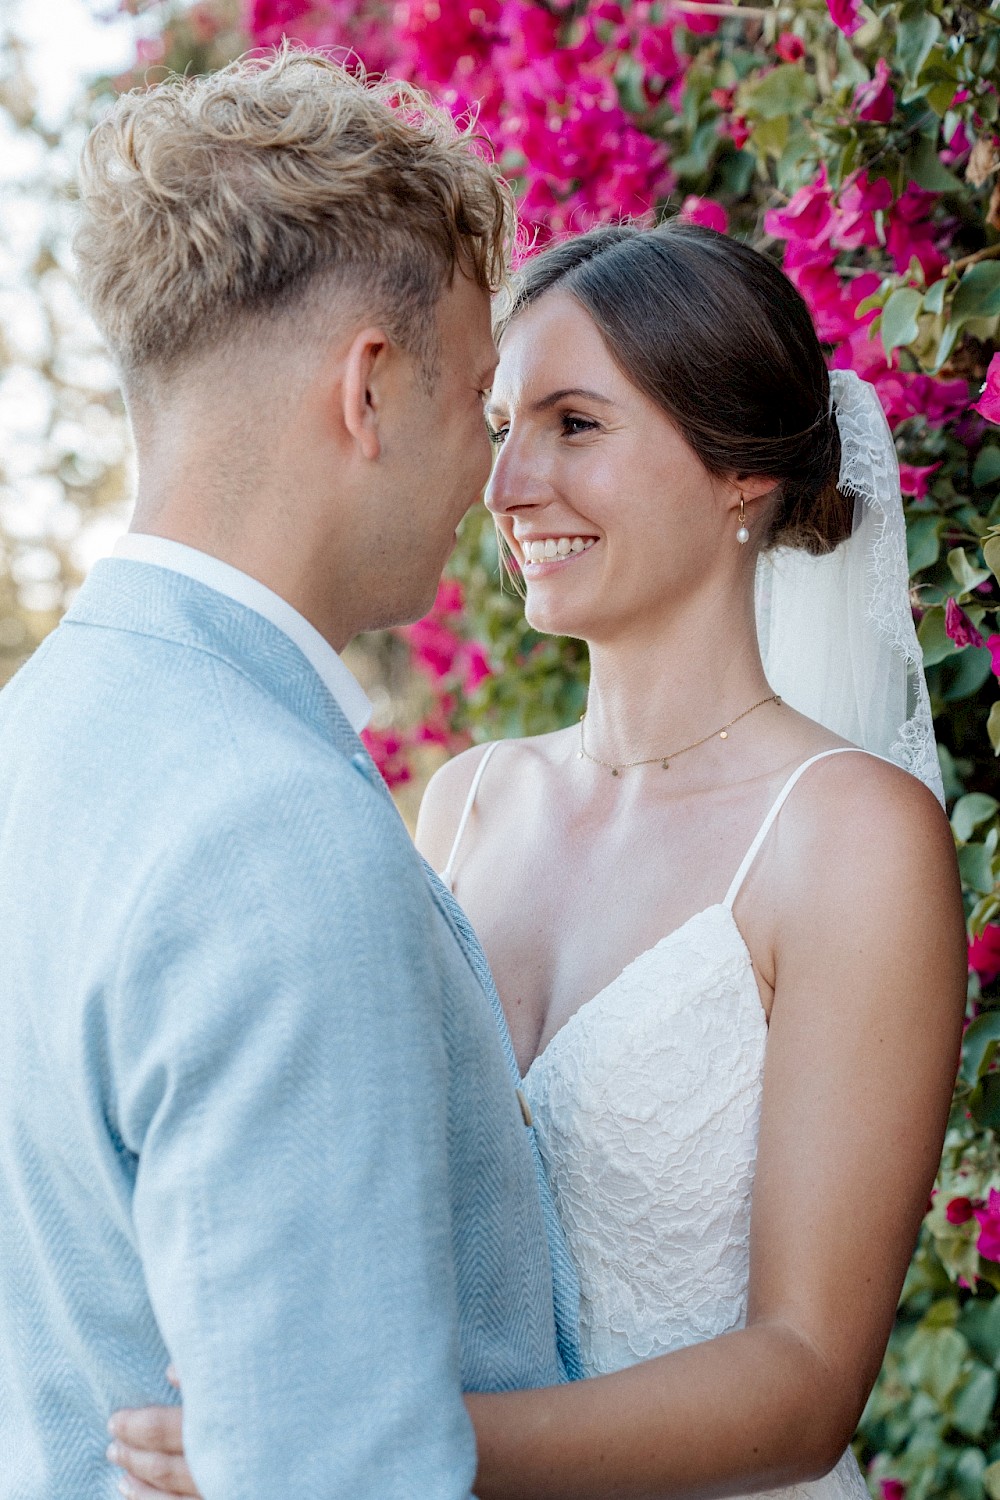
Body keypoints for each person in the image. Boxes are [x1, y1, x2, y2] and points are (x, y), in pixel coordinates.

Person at [112, 224, 966, 1500]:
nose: (506, 485)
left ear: (738, 467)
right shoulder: (467, 800)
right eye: (502, 423)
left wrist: (369, 1444)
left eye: (575, 424)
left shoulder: (850, 839)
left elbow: (802, 1380)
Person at [0, 46, 583, 1500]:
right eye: (480, 407)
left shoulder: (33, 739)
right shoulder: (270, 837)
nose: (486, 481)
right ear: (371, 391)